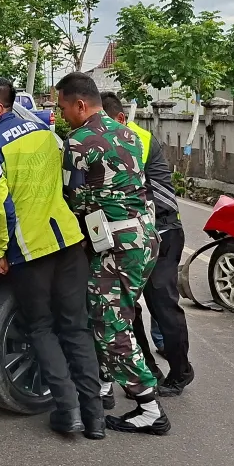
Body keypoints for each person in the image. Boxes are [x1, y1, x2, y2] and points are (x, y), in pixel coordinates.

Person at [0, 77, 105, 439]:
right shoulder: (45, 132)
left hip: (32, 252)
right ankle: (95, 419)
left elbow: (1, 207)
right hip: (70, 242)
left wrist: (0, 251)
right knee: (76, 328)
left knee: (42, 328)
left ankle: (68, 412)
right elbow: (69, 182)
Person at [55, 72, 170, 436]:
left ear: (80, 105)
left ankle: (149, 406)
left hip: (114, 246)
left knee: (109, 323)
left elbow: (72, 199)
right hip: (144, 238)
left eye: (63, 108)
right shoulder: (129, 134)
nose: (61, 116)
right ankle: (103, 383)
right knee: (120, 312)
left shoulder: (77, 142)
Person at [100, 92, 195, 397]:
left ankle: (181, 371)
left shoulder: (134, 139)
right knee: (127, 305)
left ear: (120, 119)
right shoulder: (113, 137)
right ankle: (148, 372)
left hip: (162, 230)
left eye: (103, 122)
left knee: (162, 304)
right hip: (137, 232)